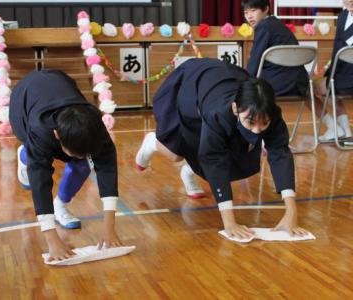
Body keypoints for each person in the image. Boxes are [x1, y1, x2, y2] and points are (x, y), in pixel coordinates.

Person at [135, 58, 308, 239]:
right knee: (177, 153)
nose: (258, 130)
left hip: (225, 81)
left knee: (237, 154)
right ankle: (151, 142)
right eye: (251, 122)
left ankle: (190, 170)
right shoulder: (217, 113)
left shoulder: (268, 112)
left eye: (263, 124)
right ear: (235, 108)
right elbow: (213, 159)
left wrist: (291, 212)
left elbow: (280, 153)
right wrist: (229, 223)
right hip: (191, 87)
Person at [10, 69, 122, 261]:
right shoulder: (41, 129)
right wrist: (52, 240)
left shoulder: (96, 126)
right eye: (75, 152)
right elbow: (41, 182)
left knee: (81, 165)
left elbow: (107, 167)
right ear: (57, 135)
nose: (81, 156)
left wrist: (109, 226)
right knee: (35, 157)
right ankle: (24, 156)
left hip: (61, 83)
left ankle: (61, 205)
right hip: (24, 100)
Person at [243, 0, 309, 97]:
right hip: (300, 82)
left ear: (266, 9)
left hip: (274, 85)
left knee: (243, 91)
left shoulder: (263, 26)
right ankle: (325, 113)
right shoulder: (279, 25)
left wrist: (244, 82)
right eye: (246, 13)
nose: (249, 16)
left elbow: (255, 61)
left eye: (253, 10)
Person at [312, 1, 353, 141]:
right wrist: (329, 72)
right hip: (340, 71)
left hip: (349, 75)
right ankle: (345, 131)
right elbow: (338, 48)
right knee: (325, 85)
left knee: (313, 88)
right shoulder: (342, 16)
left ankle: (336, 129)